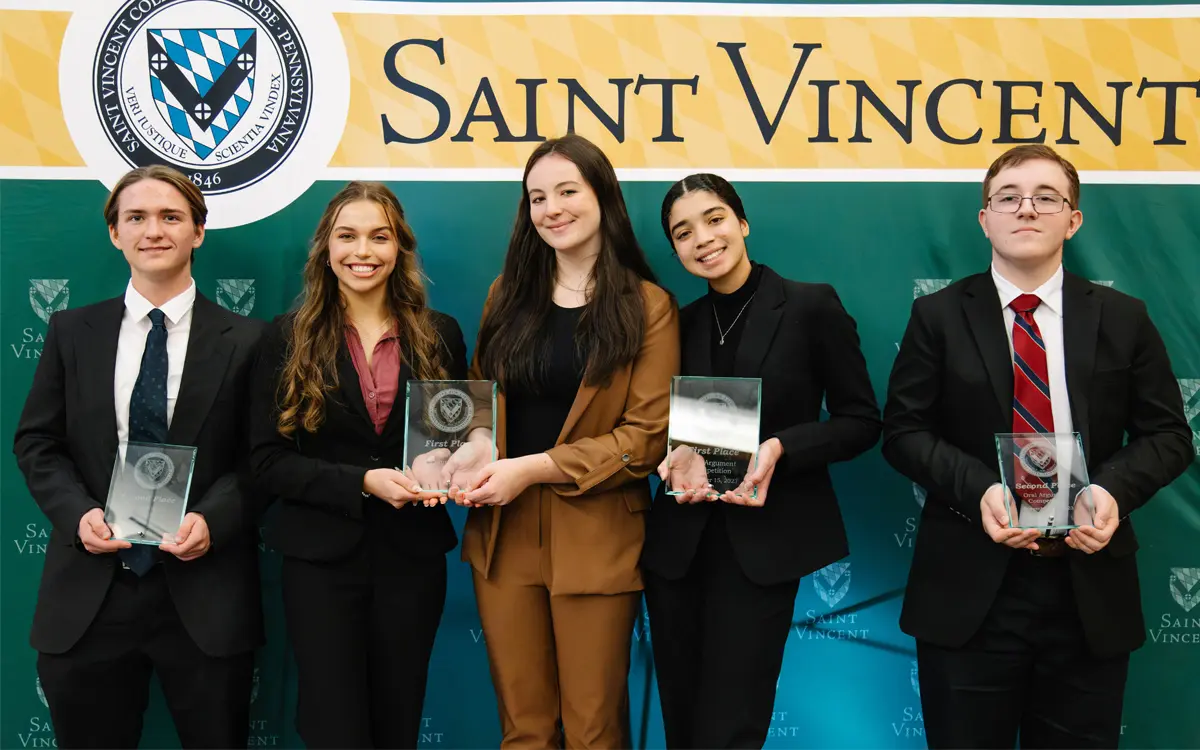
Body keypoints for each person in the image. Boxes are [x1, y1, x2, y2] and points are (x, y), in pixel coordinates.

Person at [883, 144, 1192, 748]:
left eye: (1046, 197)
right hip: (970, 590)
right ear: (985, 218)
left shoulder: (1124, 317)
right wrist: (983, 491)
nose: (1027, 209)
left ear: (1073, 219)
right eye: (1008, 197)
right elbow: (903, 432)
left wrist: (1109, 490)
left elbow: (1169, 436)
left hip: (1087, 589)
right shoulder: (938, 316)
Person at [12, 165, 265, 748]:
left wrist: (214, 519)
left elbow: (263, 460)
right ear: (115, 234)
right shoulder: (72, 331)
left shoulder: (251, 340)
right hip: (90, 594)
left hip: (204, 594)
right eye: (137, 217)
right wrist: (78, 514)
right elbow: (38, 443)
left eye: (171, 216)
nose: (154, 230)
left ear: (198, 231)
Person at [449, 134, 679, 748]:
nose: (551, 209)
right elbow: (481, 399)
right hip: (502, 532)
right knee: (523, 729)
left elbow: (645, 439)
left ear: (603, 194)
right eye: (537, 198)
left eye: (567, 191)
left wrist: (532, 467)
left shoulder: (649, 305)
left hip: (598, 536)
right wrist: (475, 442)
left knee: (593, 730)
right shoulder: (506, 294)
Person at [640, 173, 882, 748]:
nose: (702, 238)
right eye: (683, 231)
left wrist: (781, 447)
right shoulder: (679, 323)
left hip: (763, 545)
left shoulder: (809, 305)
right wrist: (667, 456)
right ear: (674, 249)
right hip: (679, 545)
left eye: (715, 218)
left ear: (743, 223)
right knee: (682, 718)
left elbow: (862, 421)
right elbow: (659, 425)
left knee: (733, 725)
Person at [248, 182, 466, 748]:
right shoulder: (285, 338)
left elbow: (455, 437)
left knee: (397, 718)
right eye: (347, 236)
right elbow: (266, 463)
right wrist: (361, 483)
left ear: (400, 248)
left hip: (412, 557)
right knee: (332, 724)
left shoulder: (440, 335)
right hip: (320, 560)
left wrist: (454, 467)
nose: (362, 250)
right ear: (325, 247)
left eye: (380, 236)